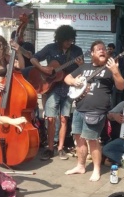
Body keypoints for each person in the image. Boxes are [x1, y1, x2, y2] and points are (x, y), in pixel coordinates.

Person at [64, 40, 124, 181]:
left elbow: (121, 86)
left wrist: (116, 71)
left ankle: (96, 169)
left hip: (96, 111)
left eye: (104, 49)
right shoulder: (84, 67)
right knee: (78, 139)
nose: (102, 50)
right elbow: (67, 77)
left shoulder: (110, 69)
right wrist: (74, 82)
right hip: (79, 109)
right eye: (98, 49)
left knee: (92, 140)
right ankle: (80, 166)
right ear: (92, 53)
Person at [30, 25, 83, 160]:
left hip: (68, 88)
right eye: (67, 40)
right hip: (51, 87)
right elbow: (33, 59)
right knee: (50, 118)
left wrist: (81, 65)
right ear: (60, 39)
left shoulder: (77, 51)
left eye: (71, 40)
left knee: (64, 118)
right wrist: (42, 68)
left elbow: (81, 71)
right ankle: (50, 147)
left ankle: (60, 148)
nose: (69, 43)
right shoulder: (50, 48)